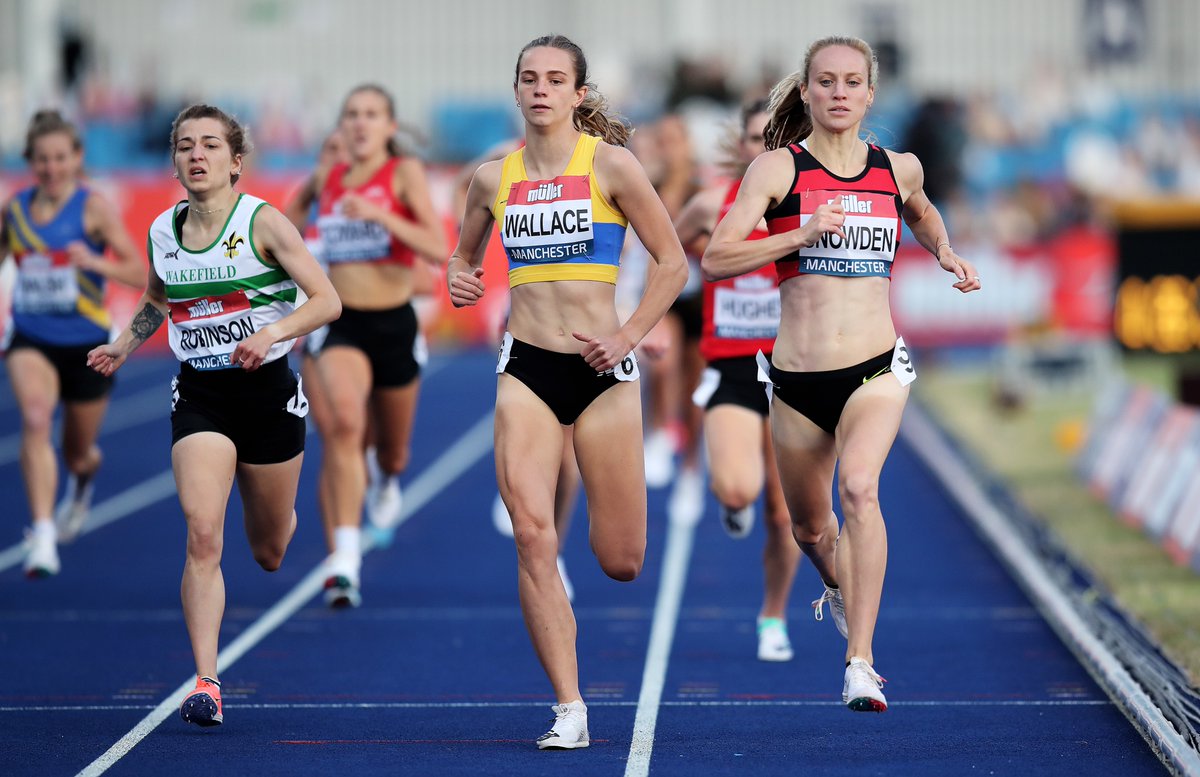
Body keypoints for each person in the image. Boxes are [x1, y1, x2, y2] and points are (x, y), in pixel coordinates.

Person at [702, 37, 981, 712]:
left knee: (860, 488)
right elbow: (716, 257)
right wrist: (798, 235)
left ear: (869, 94)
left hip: (875, 369)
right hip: (796, 380)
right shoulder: (776, 171)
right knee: (808, 529)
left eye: (852, 81)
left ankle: (861, 660)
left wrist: (943, 249)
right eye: (825, 81)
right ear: (806, 91)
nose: (838, 93)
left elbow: (919, 208)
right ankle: (836, 586)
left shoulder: (898, 166)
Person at [448, 34, 687, 749]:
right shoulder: (493, 179)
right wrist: (460, 277)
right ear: (516, 90)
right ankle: (569, 707)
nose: (541, 89)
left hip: (602, 371)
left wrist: (631, 333)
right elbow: (462, 260)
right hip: (526, 367)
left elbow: (672, 263)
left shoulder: (611, 165)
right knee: (531, 531)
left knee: (622, 559)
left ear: (579, 94)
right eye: (530, 78)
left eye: (556, 79)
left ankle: (596, 556)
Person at [87, 104, 340, 727]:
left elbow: (327, 300)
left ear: (236, 162)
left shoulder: (264, 225)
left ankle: (278, 512)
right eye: (184, 146)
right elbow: (155, 298)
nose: (196, 155)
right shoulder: (162, 232)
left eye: (209, 145)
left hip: (270, 396)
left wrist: (273, 331)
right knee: (203, 532)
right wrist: (124, 342)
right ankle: (207, 681)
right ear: (174, 162)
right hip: (201, 395)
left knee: (271, 549)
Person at [309, 84, 448, 607]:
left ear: (390, 126)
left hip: (394, 322)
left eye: (372, 115)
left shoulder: (403, 175)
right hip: (342, 322)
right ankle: (344, 558)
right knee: (344, 425)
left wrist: (381, 216)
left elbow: (437, 247)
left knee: (392, 451)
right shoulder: (328, 179)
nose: (361, 124)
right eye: (352, 115)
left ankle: (386, 481)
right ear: (341, 127)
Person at [676, 99, 802, 661]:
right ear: (741, 146)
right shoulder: (711, 206)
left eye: (774, 138)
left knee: (787, 515)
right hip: (731, 365)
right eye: (755, 138)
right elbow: (663, 255)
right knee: (736, 488)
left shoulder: (809, 205)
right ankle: (732, 500)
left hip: (796, 369)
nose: (763, 148)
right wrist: (646, 319)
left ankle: (772, 616)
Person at [1, 110, 145, 577]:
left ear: (76, 158)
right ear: (30, 161)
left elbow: (142, 274)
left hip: (87, 344)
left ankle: (81, 486)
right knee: (36, 418)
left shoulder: (93, 208)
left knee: (78, 453)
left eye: (60, 158)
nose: (51, 167)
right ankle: (42, 535)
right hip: (31, 336)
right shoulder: (15, 211)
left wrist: (95, 264)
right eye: (42, 159)